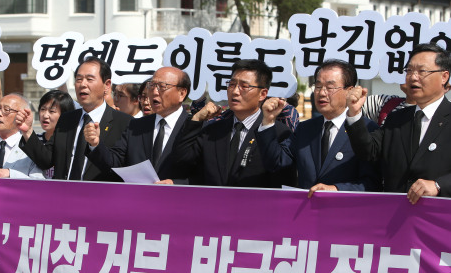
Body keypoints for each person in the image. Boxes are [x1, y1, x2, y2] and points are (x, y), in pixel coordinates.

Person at [345, 43, 451, 204]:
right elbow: (368, 151)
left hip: (439, 221)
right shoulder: (397, 119)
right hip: (396, 218)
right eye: (409, 71)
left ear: (444, 77)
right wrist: (354, 114)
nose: (413, 77)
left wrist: (439, 185)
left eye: (422, 71)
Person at [256, 59, 380, 196]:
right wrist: (268, 121)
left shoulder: (366, 129)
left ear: (349, 91)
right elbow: (276, 163)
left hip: (345, 212)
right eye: (318, 86)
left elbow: (372, 183)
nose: (321, 93)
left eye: (330, 87)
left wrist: (335, 189)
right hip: (307, 212)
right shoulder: (305, 129)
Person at [174, 59, 295, 187]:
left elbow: (283, 179)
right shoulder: (213, 131)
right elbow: (182, 162)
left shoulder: (278, 133)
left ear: (262, 94)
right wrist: (196, 119)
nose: (235, 91)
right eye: (232, 84)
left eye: (244, 86)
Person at [18, 56, 132, 181]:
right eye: (78, 79)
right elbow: (47, 160)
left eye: (89, 79)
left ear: (107, 85)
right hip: (63, 196)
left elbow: (119, 168)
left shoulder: (125, 123)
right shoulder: (67, 119)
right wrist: (28, 132)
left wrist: (96, 146)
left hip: (99, 198)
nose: (82, 84)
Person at [84, 67, 190, 183]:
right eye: (152, 85)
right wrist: (95, 144)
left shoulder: (195, 128)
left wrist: (176, 184)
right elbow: (114, 164)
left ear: (182, 93)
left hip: (177, 198)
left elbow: (204, 175)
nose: (154, 92)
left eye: (162, 86)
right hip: (137, 198)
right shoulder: (135, 126)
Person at [37, 90, 75, 179]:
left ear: (65, 114)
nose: (45, 115)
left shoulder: (73, 143)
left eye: (52, 111)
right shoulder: (34, 141)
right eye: (42, 109)